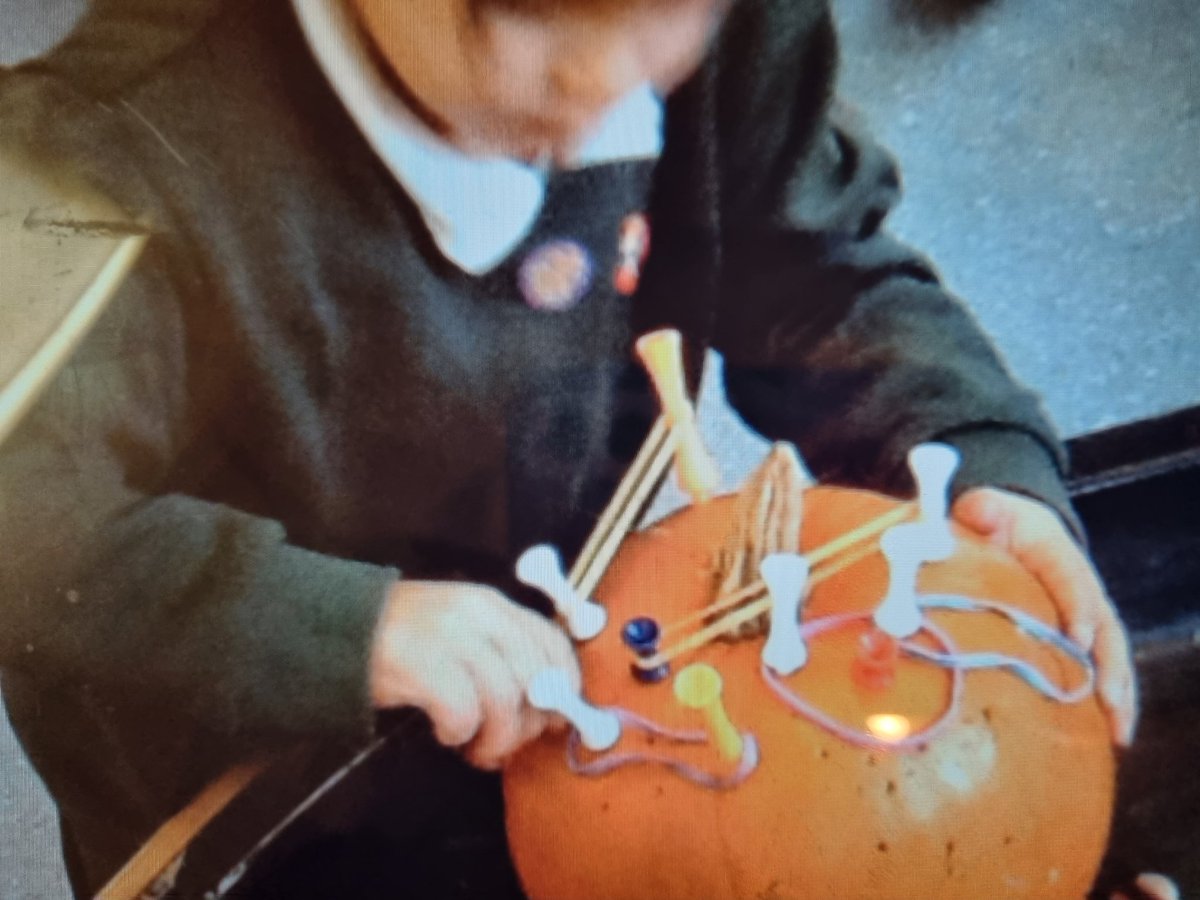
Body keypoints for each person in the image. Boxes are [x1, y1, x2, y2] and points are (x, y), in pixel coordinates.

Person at [0, 0, 1146, 896]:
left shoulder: (711, 31)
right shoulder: (81, 158)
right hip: (256, 758)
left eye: (662, 25)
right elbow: (29, 535)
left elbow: (815, 270)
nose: (603, 94)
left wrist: (975, 447)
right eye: (520, 22)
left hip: (588, 659)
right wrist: (350, 628)